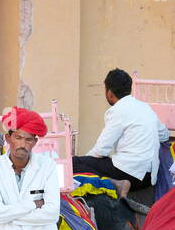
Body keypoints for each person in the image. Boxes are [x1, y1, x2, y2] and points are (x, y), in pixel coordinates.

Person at [72, 68, 169, 197]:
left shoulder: (117, 111)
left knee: (73, 163)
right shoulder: (145, 107)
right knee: (105, 161)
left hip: (129, 174)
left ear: (109, 93)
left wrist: (86, 161)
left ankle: (117, 184)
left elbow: (101, 151)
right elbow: (164, 135)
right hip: (148, 178)